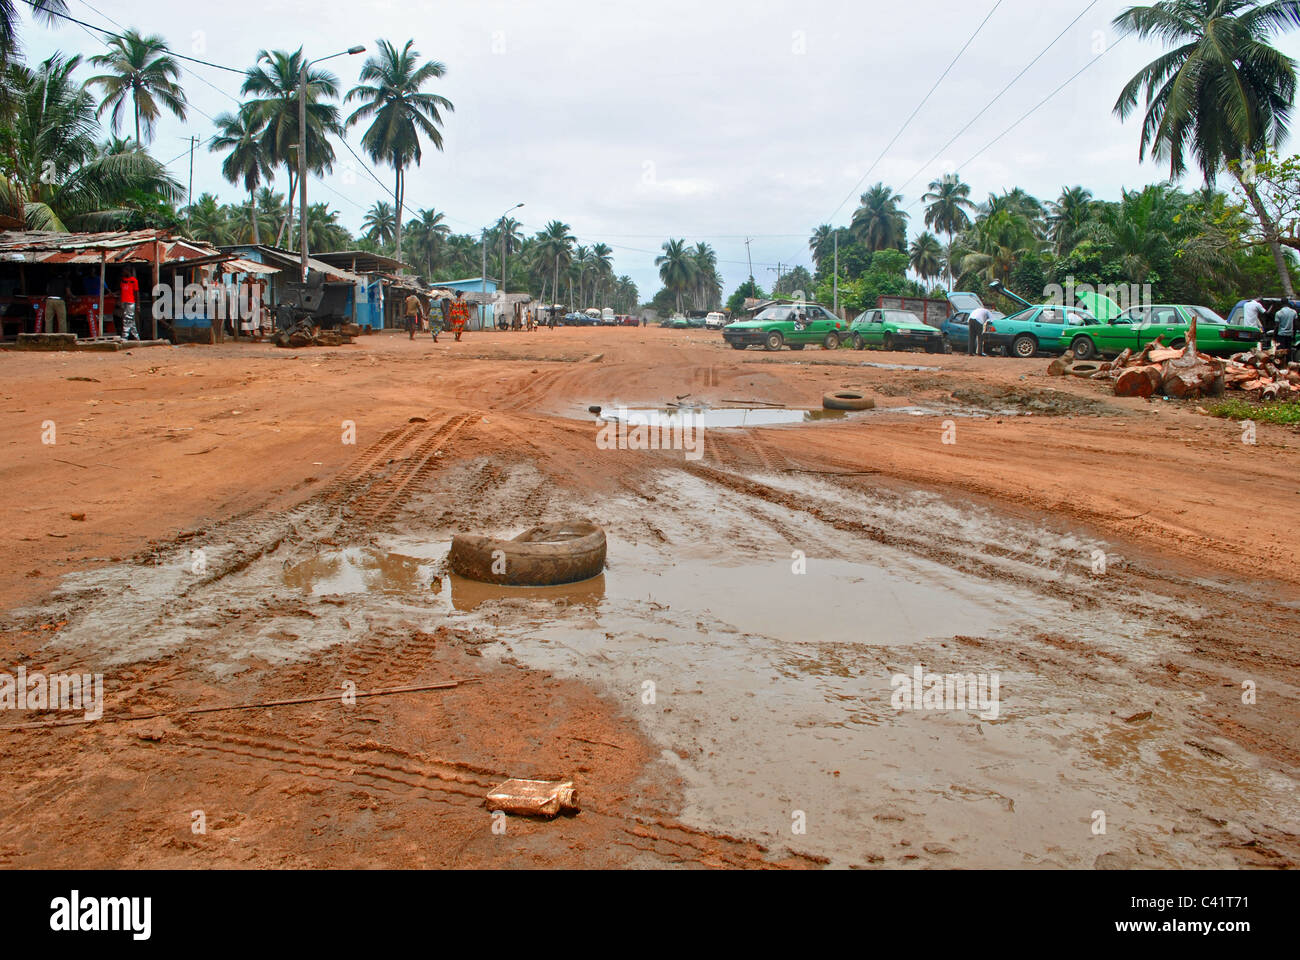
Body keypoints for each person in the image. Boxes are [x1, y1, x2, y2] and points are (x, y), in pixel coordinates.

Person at [119, 270, 140, 340]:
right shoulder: (122, 280)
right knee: (130, 319)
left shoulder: (134, 280)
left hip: (130, 302)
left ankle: (124, 337)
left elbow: (136, 293)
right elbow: (121, 290)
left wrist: (137, 304)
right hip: (123, 301)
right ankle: (136, 336)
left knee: (127, 319)